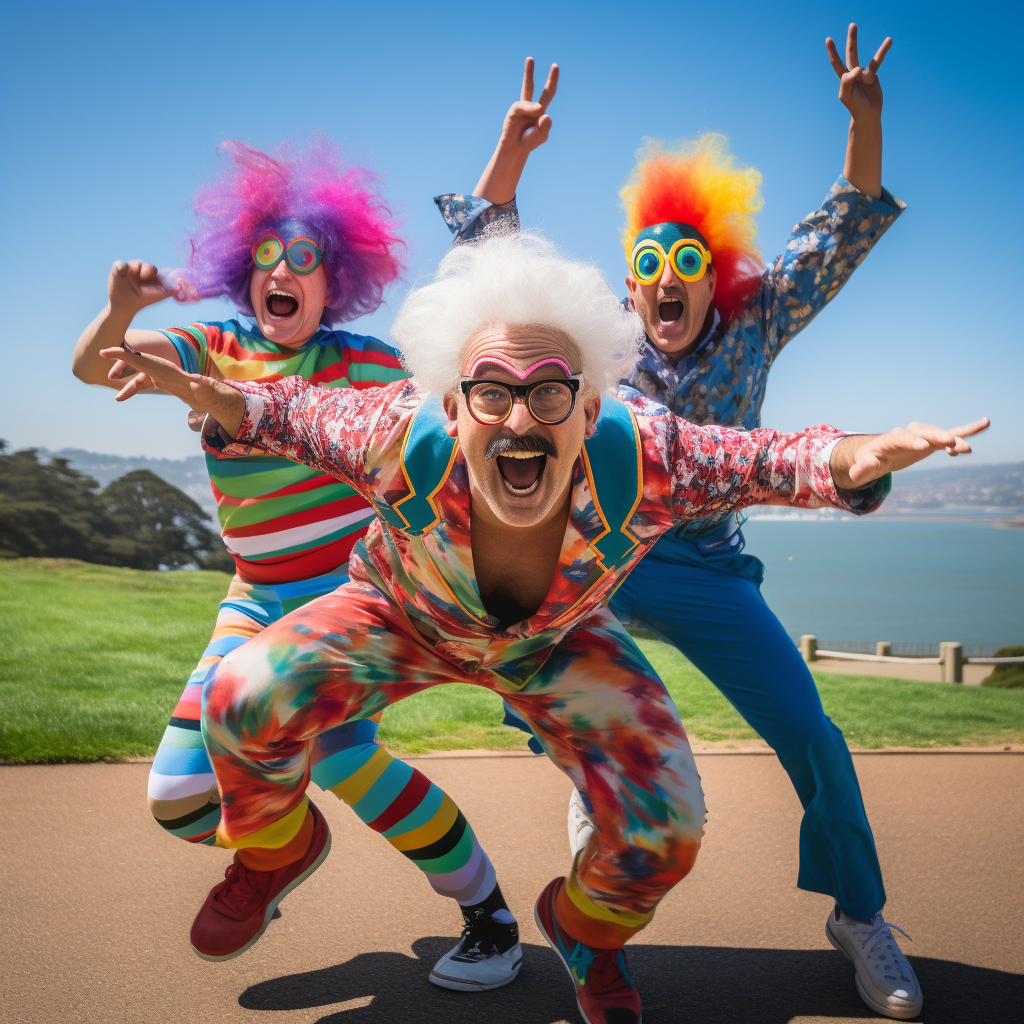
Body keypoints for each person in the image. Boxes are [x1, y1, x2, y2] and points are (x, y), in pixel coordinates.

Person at [102, 231, 986, 1024]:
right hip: (397, 615)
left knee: (665, 826)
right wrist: (207, 392)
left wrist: (855, 458)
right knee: (240, 696)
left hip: (552, 644)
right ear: (451, 406)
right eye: (490, 391)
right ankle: (276, 851)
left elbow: (770, 459)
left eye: (551, 392)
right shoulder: (394, 430)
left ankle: (583, 931)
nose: (521, 418)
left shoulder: (646, 454)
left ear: (591, 404)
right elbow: (281, 411)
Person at [462, 27, 930, 1020]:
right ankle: (597, 796)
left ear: (716, 274)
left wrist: (866, 122)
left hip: (712, 569)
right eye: (649, 266)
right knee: (555, 685)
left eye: (687, 264)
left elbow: (839, 228)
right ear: (630, 283)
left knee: (812, 732)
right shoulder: (603, 337)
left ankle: (859, 914)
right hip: (602, 562)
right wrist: (513, 148)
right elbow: (490, 257)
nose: (666, 280)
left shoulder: (757, 322)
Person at [70, 133, 561, 990]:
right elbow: (90, 365)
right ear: (245, 270)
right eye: (266, 253)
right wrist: (121, 311)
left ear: (334, 281)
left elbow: (462, 324)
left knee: (340, 757)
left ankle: (489, 918)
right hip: (254, 602)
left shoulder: (362, 361)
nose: (281, 268)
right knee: (178, 800)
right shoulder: (209, 348)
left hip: (349, 607)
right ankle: (285, 844)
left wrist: (503, 175)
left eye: (303, 255)